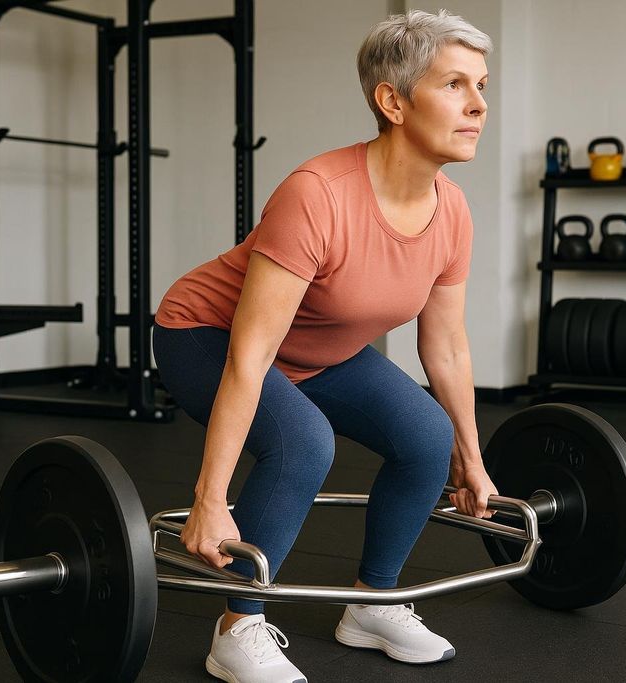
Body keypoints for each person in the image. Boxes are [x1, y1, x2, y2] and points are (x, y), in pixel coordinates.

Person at [152, 9, 495, 683]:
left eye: (483, 85)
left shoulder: (451, 210)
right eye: (456, 84)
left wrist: (472, 458)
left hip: (317, 350)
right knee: (303, 441)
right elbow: (250, 353)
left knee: (429, 435)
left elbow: (447, 347)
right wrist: (210, 496)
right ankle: (237, 626)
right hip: (205, 334)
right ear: (392, 100)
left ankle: (373, 601)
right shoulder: (319, 196)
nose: (479, 104)